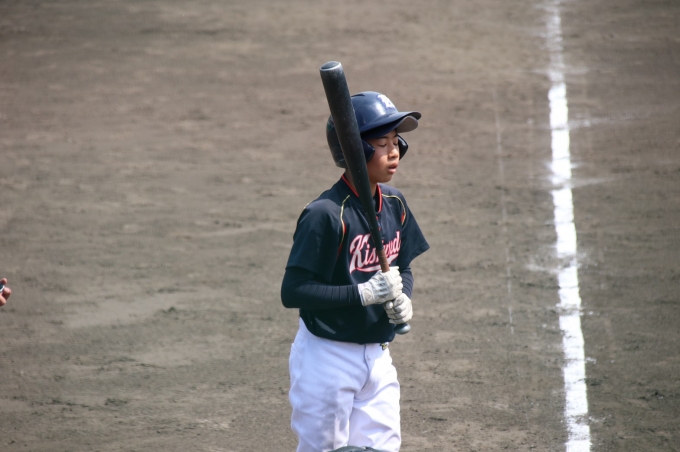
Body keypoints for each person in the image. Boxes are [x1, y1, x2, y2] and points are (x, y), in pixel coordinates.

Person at [281, 91, 430, 452]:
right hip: (326, 359)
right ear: (354, 150)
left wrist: (403, 297)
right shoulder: (324, 214)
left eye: (396, 141)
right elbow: (294, 291)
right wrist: (362, 294)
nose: (393, 152)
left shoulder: (394, 203)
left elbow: (402, 266)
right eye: (381, 143)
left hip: (377, 356)